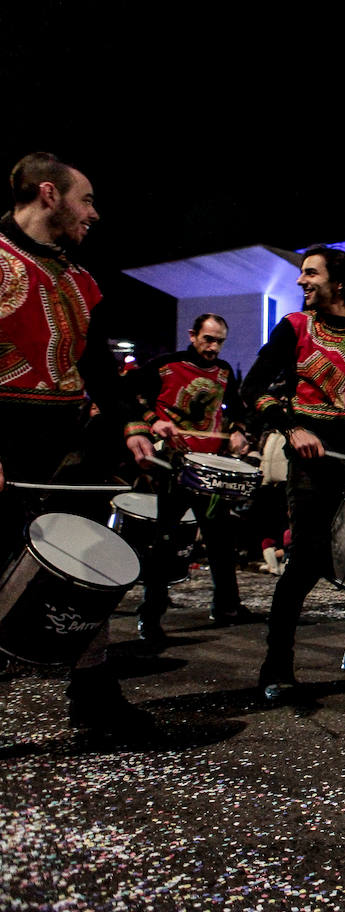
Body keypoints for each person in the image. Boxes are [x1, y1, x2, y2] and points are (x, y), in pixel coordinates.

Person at [0, 151, 160, 735]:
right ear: (50, 194)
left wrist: (132, 424)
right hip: (5, 443)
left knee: (81, 567)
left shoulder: (82, 281)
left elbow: (98, 371)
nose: (94, 212)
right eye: (85, 199)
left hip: (63, 446)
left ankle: (94, 696)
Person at [242, 247, 345, 697]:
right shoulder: (293, 328)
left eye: (309, 273)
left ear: (340, 283)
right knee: (306, 561)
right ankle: (276, 668)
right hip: (310, 462)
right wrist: (292, 428)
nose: (300, 281)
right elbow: (252, 389)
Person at [125, 313, 253, 642]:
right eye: (208, 339)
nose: (213, 347)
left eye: (219, 341)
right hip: (174, 466)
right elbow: (130, 395)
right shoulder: (165, 365)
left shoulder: (224, 372)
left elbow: (236, 408)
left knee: (221, 540)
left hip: (209, 468)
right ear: (193, 335)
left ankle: (227, 605)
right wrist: (154, 420)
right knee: (164, 542)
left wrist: (238, 430)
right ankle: (150, 614)